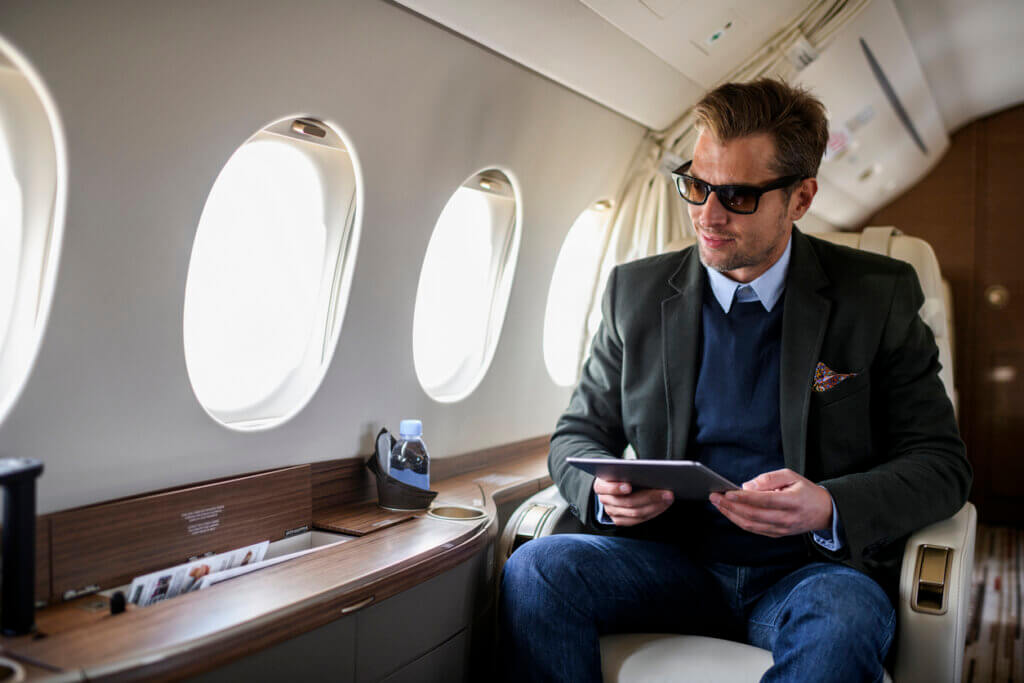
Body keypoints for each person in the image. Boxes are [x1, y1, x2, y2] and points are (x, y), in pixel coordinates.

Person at [500, 79, 971, 682]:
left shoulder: (877, 295)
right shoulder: (636, 293)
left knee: (842, 619)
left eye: (738, 196)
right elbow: (576, 436)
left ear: (801, 199)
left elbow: (941, 464)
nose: (707, 215)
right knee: (536, 570)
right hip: (668, 562)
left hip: (810, 573)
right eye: (695, 185)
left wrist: (828, 506)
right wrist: (604, 493)